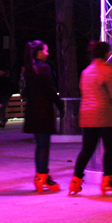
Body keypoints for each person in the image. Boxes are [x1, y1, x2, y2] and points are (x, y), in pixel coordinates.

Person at [69, 41, 112, 196]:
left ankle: (75, 181)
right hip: (104, 115)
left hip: (87, 116)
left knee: (87, 149)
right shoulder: (107, 71)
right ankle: (107, 180)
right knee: (110, 148)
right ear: (106, 53)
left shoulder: (86, 72)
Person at [23, 41, 63, 192]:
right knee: (44, 145)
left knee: (40, 145)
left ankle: (41, 175)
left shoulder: (29, 70)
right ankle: (42, 176)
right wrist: (60, 105)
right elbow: (50, 90)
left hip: (33, 111)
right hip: (43, 111)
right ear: (39, 52)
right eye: (46, 51)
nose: (48, 53)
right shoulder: (44, 68)